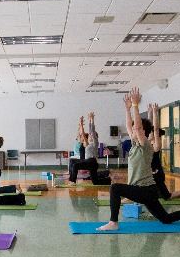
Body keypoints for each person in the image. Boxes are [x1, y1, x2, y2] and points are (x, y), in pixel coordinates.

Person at [97, 88, 180, 231]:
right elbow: (130, 125)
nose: (134, 130)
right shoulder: (135, 143)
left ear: (143, 132)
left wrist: (136, 106)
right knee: (166, 219)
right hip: (146, 191)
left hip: (146, 190)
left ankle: (113, 223)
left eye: (138, 129)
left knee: (115, 188)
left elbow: (138, 126)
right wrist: (127, 108)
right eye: (135, 129)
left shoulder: (145, 145)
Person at [148, 103, 180, 200]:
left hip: (157, 176)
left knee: (167, 197)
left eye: (151, 134)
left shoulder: (156, 146)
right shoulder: (146, 143)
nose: (149, 134)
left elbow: (156, 129)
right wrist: (150, 113)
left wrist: (155, 112)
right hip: (148, 175)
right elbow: (150, 128)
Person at [69, 112, 101, 185]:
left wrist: (91, 120)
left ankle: (72, 181)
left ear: (94, 136)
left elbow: (92, 130)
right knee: (95, 182)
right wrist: (81, 124)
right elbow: (83, 134)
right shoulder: (88, 143)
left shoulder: (95, 142)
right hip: (89, 162)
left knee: (75, 166)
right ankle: (108, 180)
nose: (89, 135)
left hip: (92, 162)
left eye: (90, 135)